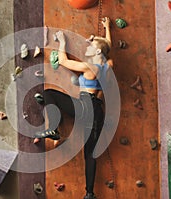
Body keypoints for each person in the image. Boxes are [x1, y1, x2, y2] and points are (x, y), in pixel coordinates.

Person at [34, 17, 113, 199]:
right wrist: (107, 28)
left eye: (90, 45)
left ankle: (53, 128)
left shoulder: (89, 67)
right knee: (90, 154)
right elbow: (108, 46)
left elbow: (62, 61)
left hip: (85, 106)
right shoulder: (108, 66)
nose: (87, 46)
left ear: (97, 51)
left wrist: (62, 42)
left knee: (49, 94)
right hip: (97, 112)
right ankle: (89, 194)